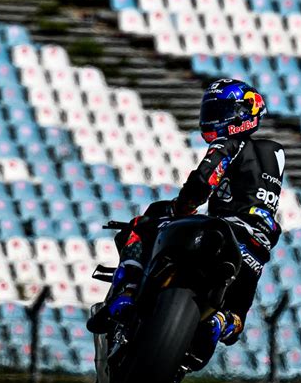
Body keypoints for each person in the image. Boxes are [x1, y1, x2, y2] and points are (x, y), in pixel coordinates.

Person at [87, 78, 285, 365]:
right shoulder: (275, 154)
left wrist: (182, 207)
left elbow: (204, 180)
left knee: (145, 221)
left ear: (243, 113)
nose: (214, 118)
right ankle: (219, 322)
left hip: (224, 231)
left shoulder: (231, 143)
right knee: (236, 317)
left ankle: (126, 292)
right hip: (256, 249)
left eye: (222, 111)